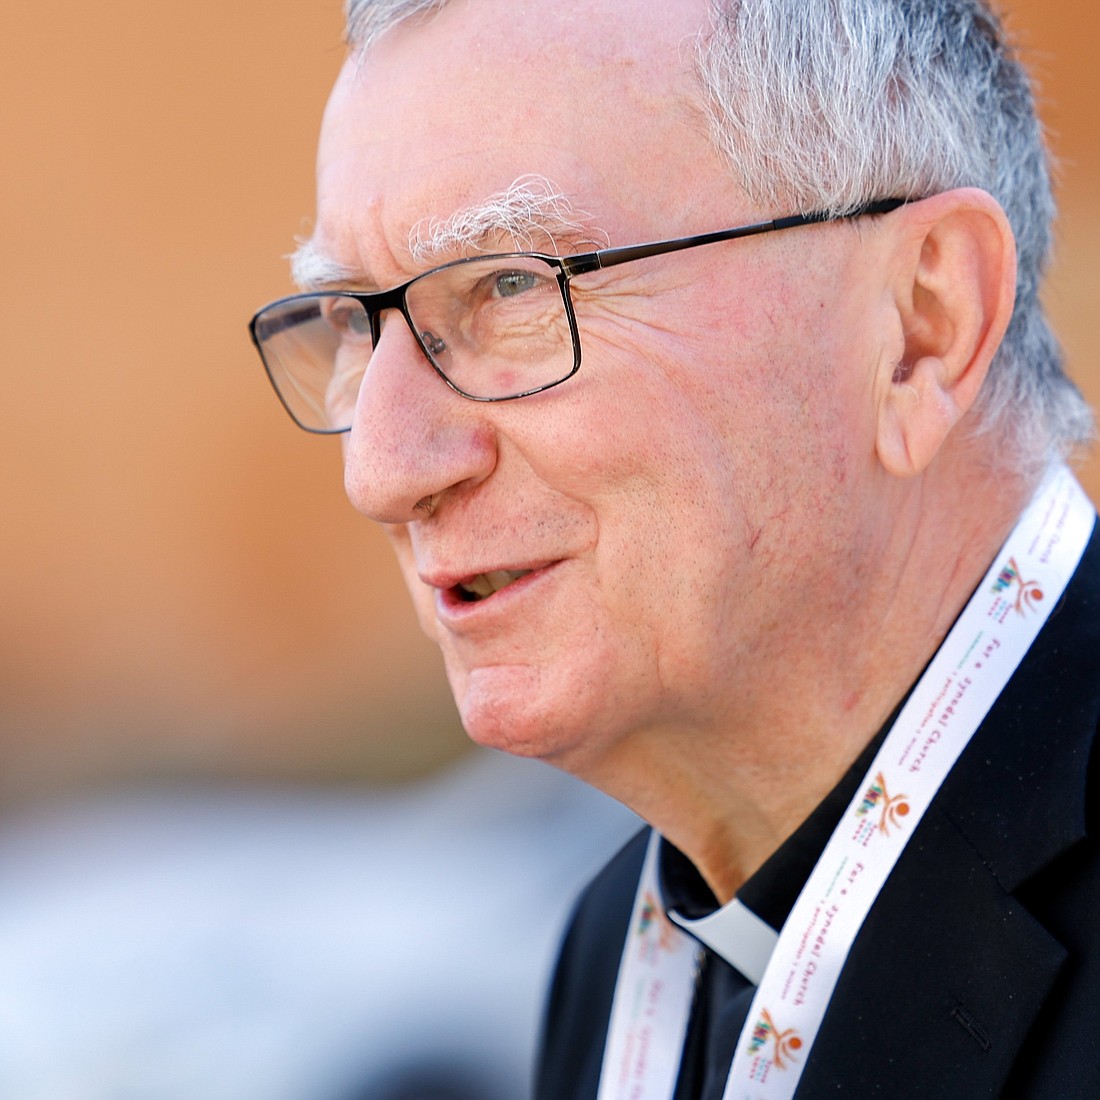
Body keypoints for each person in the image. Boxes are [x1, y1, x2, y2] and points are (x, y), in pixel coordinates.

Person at [248, 0, 1100, 1095]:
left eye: (511, 285)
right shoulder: (619, 946)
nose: (384, 471)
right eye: (354, 323)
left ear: (919, 321)